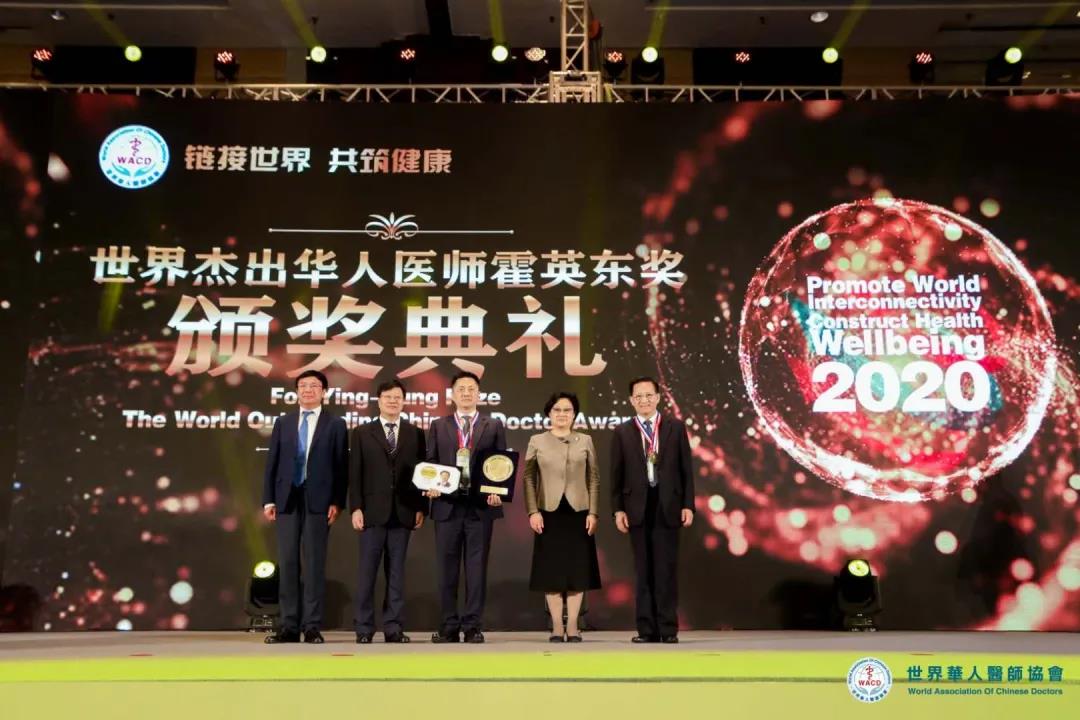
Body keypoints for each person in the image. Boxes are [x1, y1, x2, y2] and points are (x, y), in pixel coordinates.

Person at [261, 369, 347, 644]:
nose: (308, 390)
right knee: (287, 563)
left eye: (314, 386)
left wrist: (337, 501)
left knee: (314, 563)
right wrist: (269, 499)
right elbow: (272, 463)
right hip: (286, 498)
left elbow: (341, 467)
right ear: (296, 391)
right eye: (303, 385)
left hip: (318, 499)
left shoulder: (336, 424)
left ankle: (311, 626)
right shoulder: (283, 422)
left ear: (324, 392)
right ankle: (288, 626)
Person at [610, 376, 694, 644]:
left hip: (668, 506)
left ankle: (668, 629)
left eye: (648, 395)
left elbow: (686, 470)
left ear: (658, 397)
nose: (644, 400)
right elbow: (616, 475)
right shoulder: (622, 431)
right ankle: (646, 630)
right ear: (631, 400)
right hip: (636, 508)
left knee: (666, 570)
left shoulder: (674, 427)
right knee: (643, 570)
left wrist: (688, 504)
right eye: (639, 396)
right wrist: (618, 510)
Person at [425, 370, 506, 643]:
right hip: (447, 505)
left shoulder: (493, 425)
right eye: (461, 389)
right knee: (446, 569)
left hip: (480, 508)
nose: (467, 393)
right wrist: (431, 484)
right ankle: (448, 626)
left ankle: (472, 626)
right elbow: (431, 461)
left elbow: (501, 464)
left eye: (471, 388)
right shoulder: (439, 425)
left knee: (476, 569)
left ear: (479, 394)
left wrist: (497, 492)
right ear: (452, 394)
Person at [348, 378, 426, 644]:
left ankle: (393, 628)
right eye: (388, 397)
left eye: (397, 397)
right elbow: (355, 474)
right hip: (372, 512)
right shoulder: (362, 432)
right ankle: (363, 628)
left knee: (396, 574)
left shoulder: (415, 433)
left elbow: (422, 473)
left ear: (404, 401)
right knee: (367, 573)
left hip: (404, 511)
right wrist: (356, 508)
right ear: (379, 401)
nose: (393, 401)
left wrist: (420, 507)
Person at [523, 391, 601, 643]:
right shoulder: (537, 440)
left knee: (577, 571)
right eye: (557, 410)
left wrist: (593, 511)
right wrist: (533, 511)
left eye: (567, 410)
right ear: (549, 413)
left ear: (575, 414)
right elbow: (528, 478)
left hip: (579, 513)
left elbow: (593, 478)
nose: (562, 414)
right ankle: (557, 626)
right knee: (552, 572)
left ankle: (574, 626)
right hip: (548, 513)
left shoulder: (585, 440)